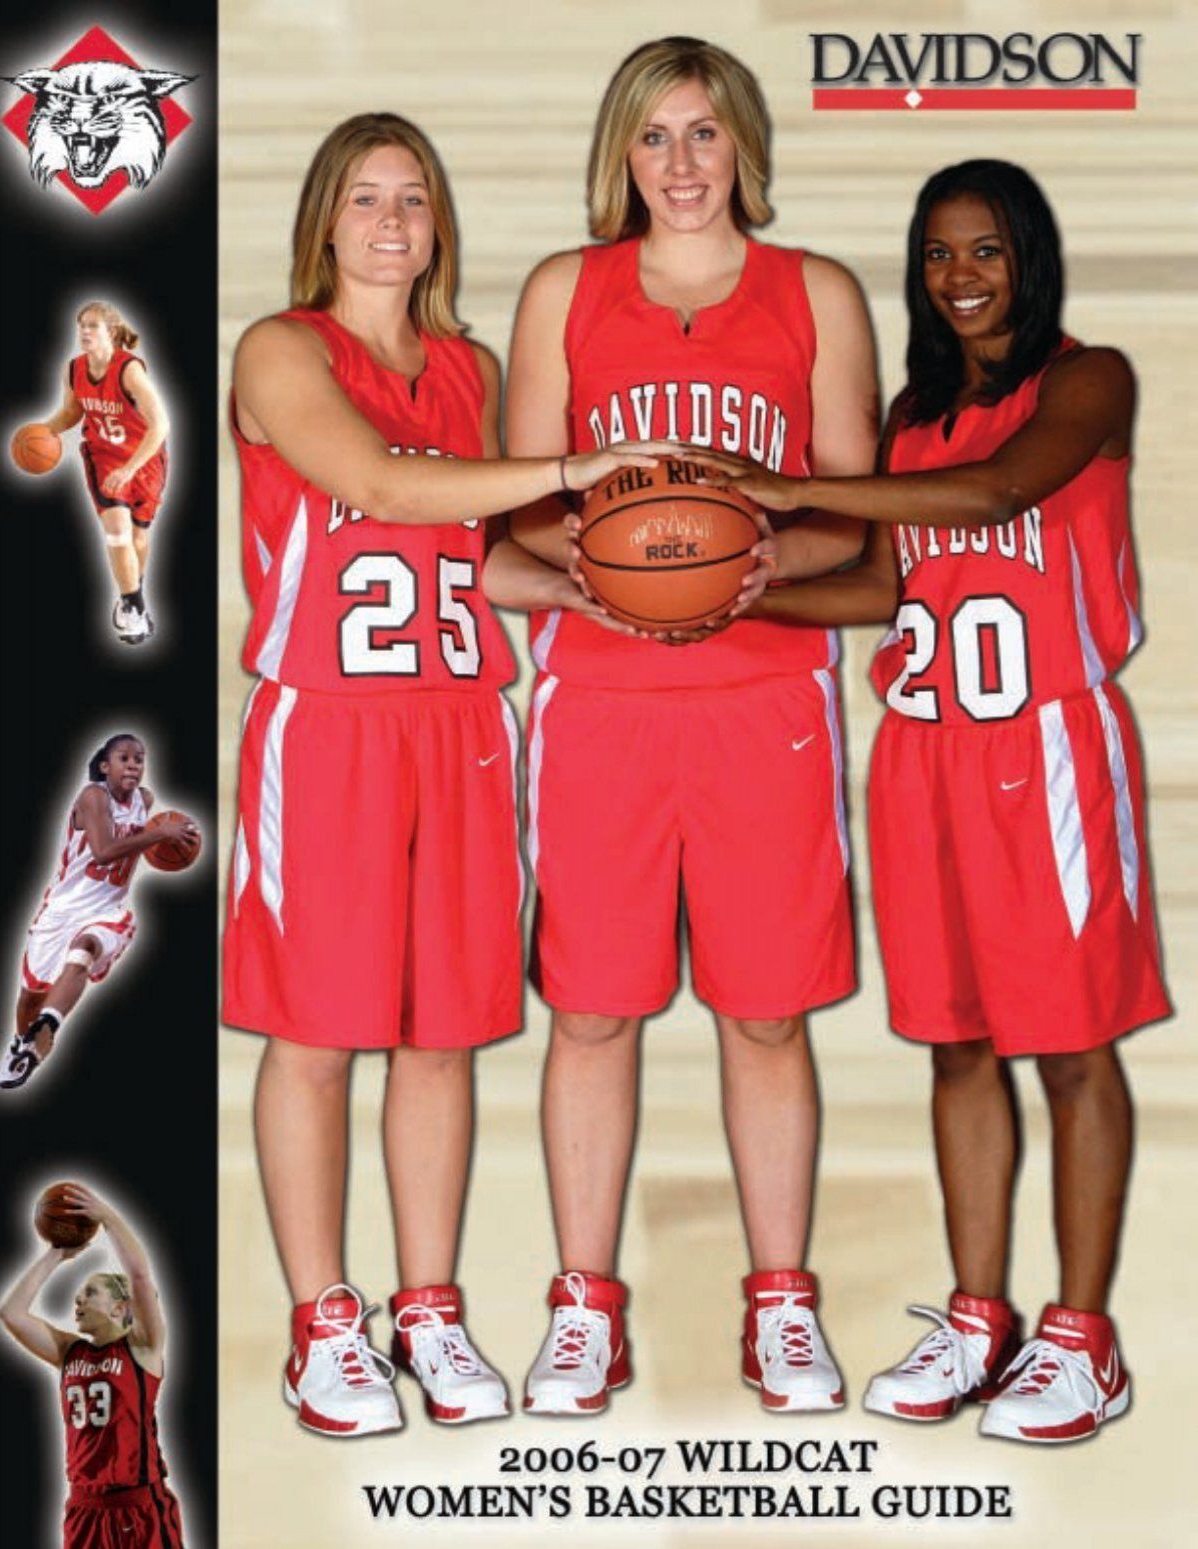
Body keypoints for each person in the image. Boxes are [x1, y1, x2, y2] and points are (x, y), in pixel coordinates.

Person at [693, 159, 1171, 1443]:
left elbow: (1000, 494)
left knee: (1071, 1047)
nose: (960, 278)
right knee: (956, 1042)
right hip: (923, 753)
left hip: (1051, 750)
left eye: (986, 252)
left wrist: (797, 491)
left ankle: (1084, 1336)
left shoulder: (1089, 381)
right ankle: (980, 1313)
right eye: (939, 255)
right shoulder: (911, 412)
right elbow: (887, 590)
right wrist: (726, 597)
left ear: (1030, 256)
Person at [221, 110, 662, 1437]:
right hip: (334, 728)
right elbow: (375, 485)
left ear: (437, 225)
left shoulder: (468, 369)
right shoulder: (280, 351)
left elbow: (468, 558)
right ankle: (323, 1326)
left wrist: (611, 588)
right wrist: (581, 468)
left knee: (443, 1031)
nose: (392, 221)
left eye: (414, 199)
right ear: (325, 219)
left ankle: (429, 1309)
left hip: (463, 724)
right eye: (366, 199)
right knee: (316, 1036)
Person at [484, 36, 879, 1414]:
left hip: (768, 697)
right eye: (656, 137)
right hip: (599, 695)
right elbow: (525, 503)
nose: (683, 163)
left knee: (767, 1020)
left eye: (705, 133)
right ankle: (585, 1307)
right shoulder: (564, 292)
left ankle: (782, 1306)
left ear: (744, 144)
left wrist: (772, 564)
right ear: (622, 155)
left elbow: (855, 513)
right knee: (591, 1013)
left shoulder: (816, 291)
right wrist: (602, 566)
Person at [0, 733, 198, 1091]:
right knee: (31, 992)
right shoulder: (93, 796)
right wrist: (158, 836)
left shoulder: (145, 800)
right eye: (124, 757)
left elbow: (144, 846)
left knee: (84, 951)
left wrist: (174, 839)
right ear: (105, 767)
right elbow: (105, 851)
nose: (134, 764)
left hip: (107, 909)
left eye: (140, 758)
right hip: (61, 908)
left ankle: (48, 1024)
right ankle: (21, 1043)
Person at [0, 1183, 186, 1547]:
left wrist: (108, 1217)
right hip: (84, 1509)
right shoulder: (69, 1352)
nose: (78, 1301)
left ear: (120, 1307)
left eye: (90, 1294)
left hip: (139, 1507)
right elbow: (11, 1313)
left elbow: (141, 1277)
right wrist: (57, 1254)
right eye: (78, 1295)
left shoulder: (143, 1348)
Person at [30, 302, 170, 644]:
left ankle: (134, 591)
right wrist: (43, 431)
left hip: (143, 458)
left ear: (111, 332)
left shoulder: (129, 371)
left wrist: (131, 468)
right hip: (103, 457)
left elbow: (161, 424)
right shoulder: (74, 369)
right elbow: (72, 412)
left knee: (138, 538)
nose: (84, 331)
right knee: (118, 532)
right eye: (81, 325)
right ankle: (133, 607)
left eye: (92, 325)